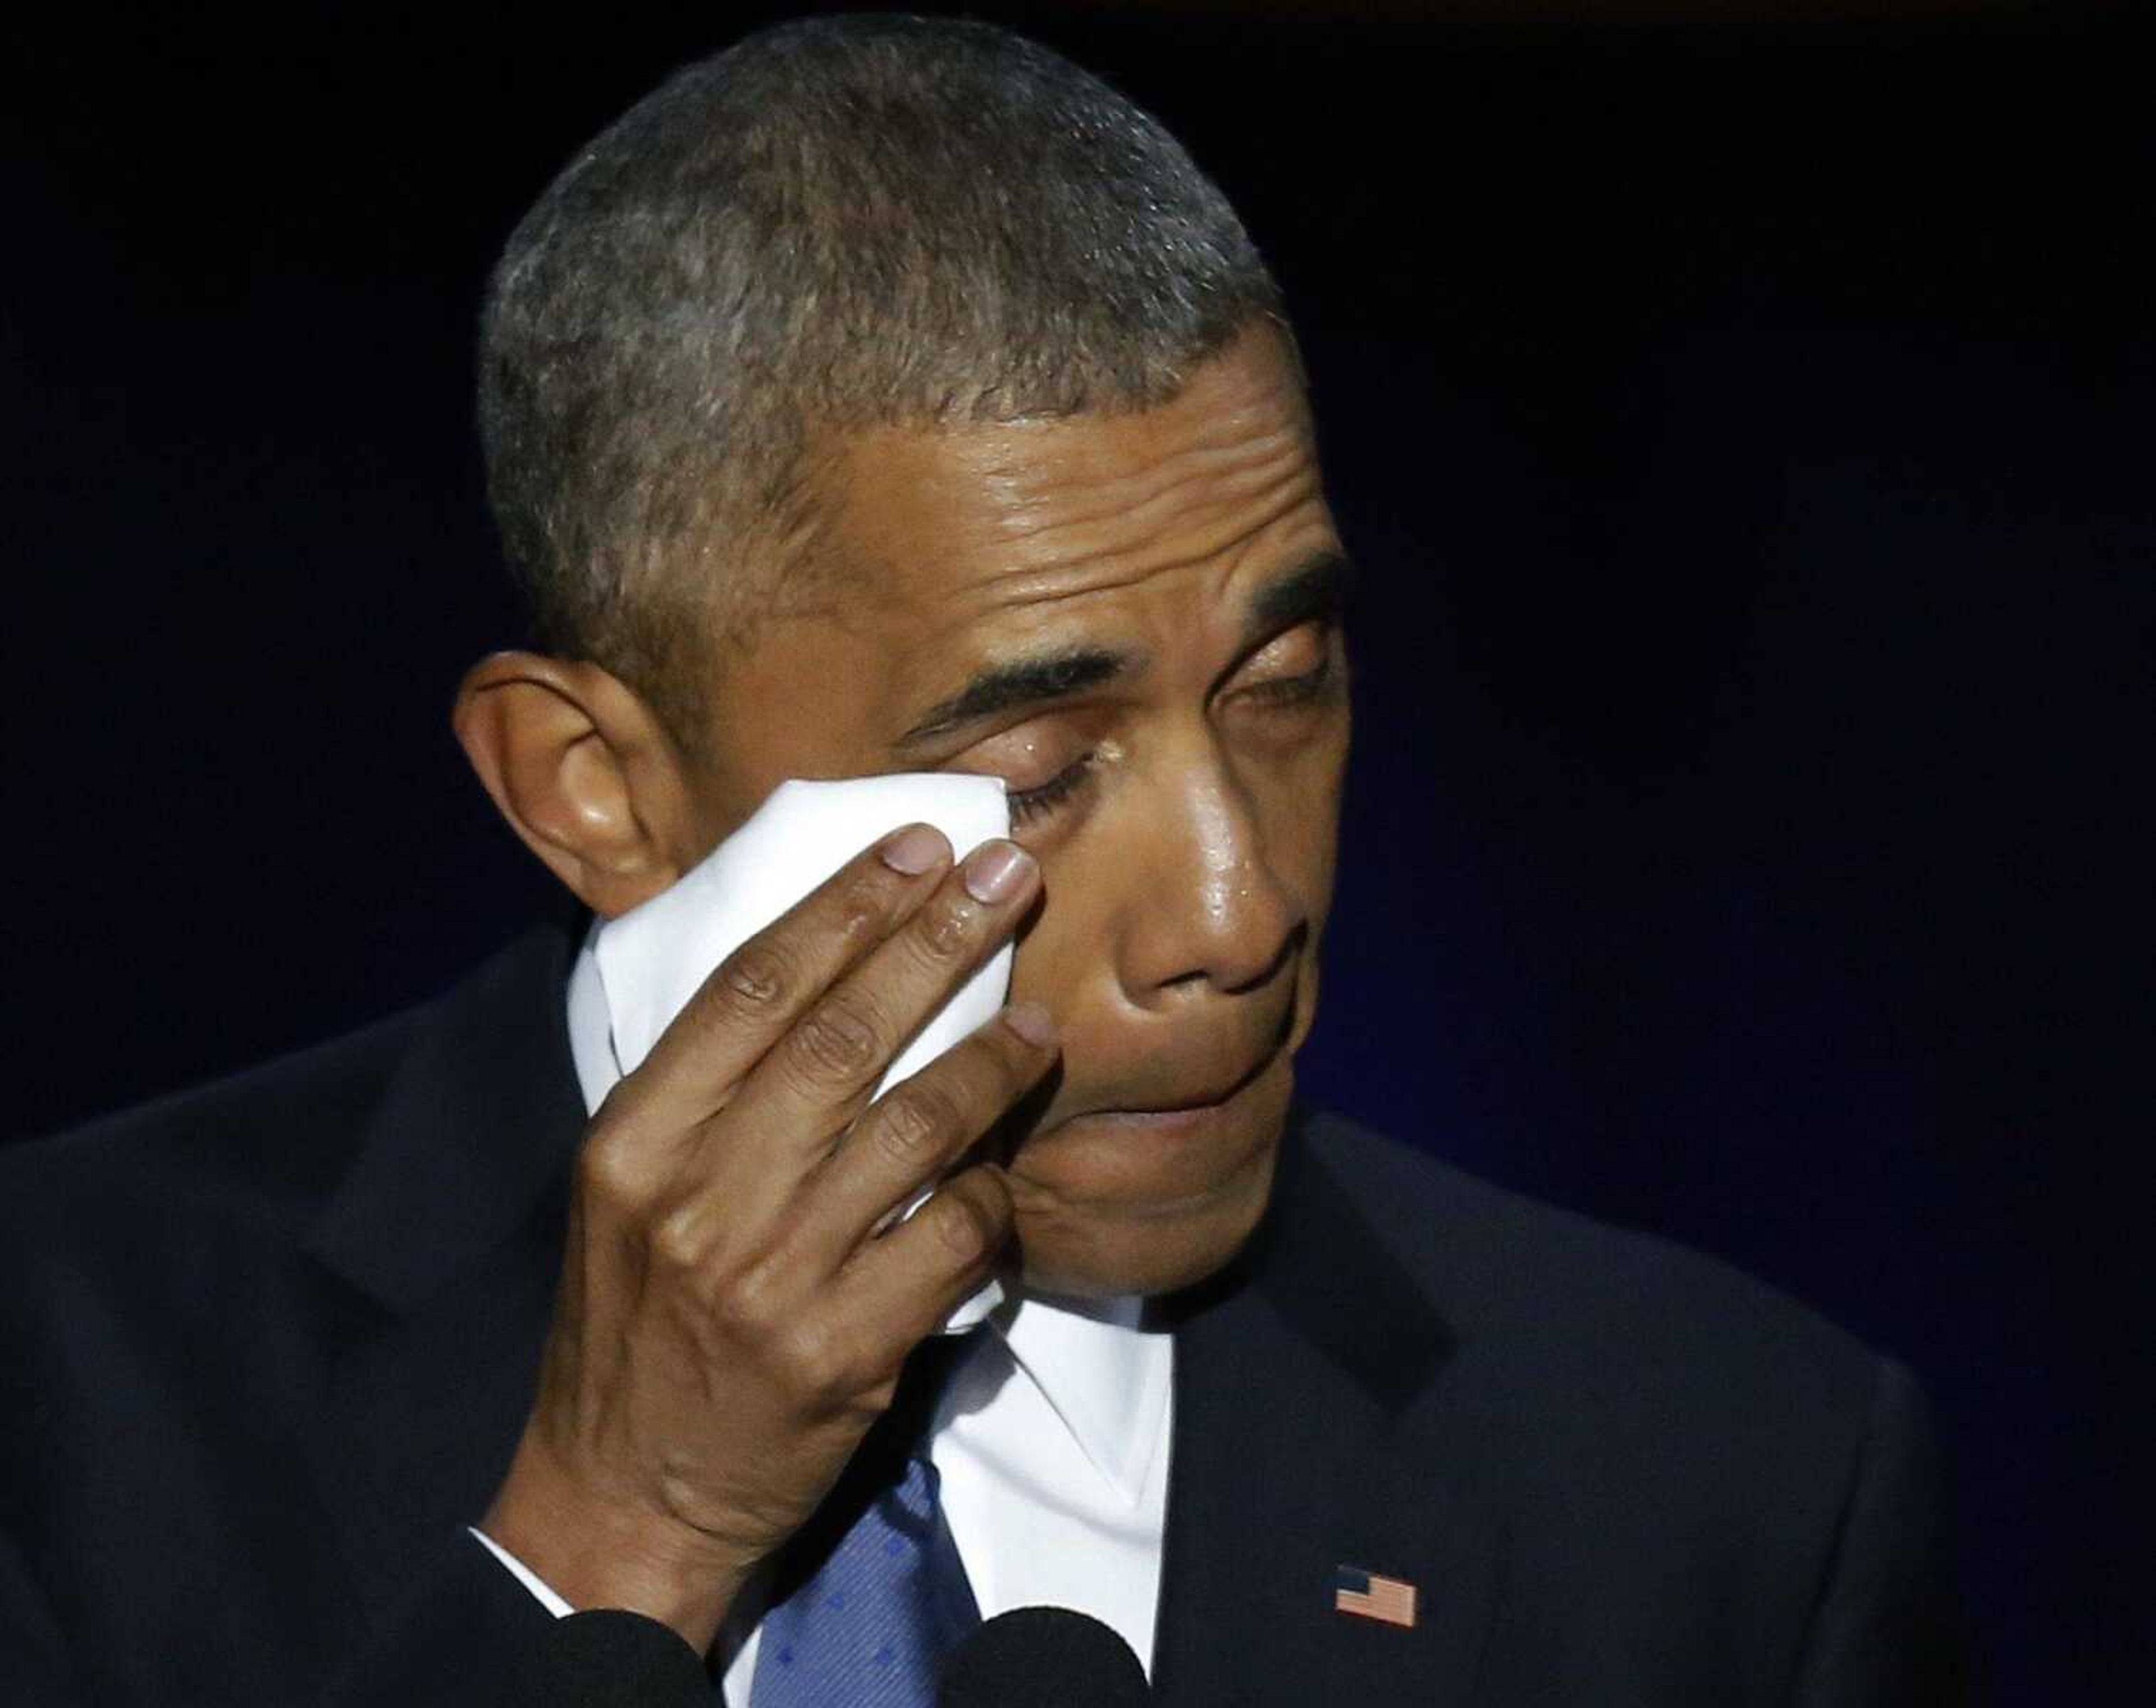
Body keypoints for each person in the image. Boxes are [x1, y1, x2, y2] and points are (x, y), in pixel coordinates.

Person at [0, 15, 1966, 1705]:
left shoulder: (1726, 1484)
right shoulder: (67, 1390)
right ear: (593, 785)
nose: (1240, 910)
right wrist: (619, 1548)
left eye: (1285, 682)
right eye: (1040, 765)